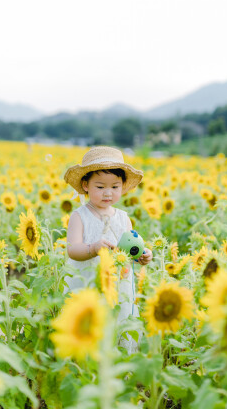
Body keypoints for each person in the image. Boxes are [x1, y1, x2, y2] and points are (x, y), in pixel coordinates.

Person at [63, 146, 153, 352]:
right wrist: (93, 248)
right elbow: (72, 249)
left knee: (118, 321)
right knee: (91, 326)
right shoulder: (80, 216)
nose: (108, 193)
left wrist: (144, 255)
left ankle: (120, 363)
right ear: (85, 185)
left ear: (122, 186)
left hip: (118, 282)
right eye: (100, 186)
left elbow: (131, 247)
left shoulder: (123, 217)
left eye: (114, 187)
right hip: (88, 282)